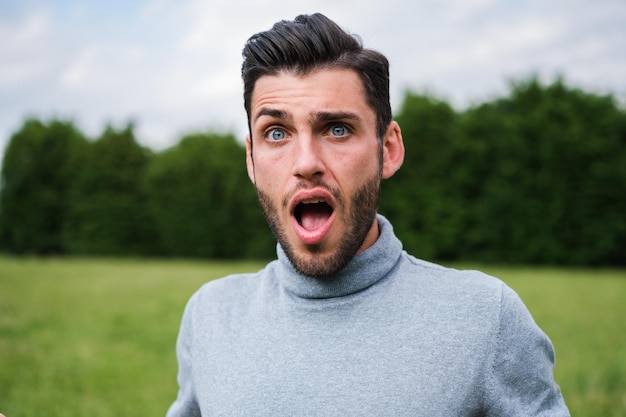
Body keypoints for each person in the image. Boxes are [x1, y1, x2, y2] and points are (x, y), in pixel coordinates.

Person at [166, 13, 570, 416]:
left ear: (388, 149)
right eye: (276, 133)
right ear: (252, 160)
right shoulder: (210, 316)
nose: (306, 162)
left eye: (337, 128)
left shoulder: (485, 318)